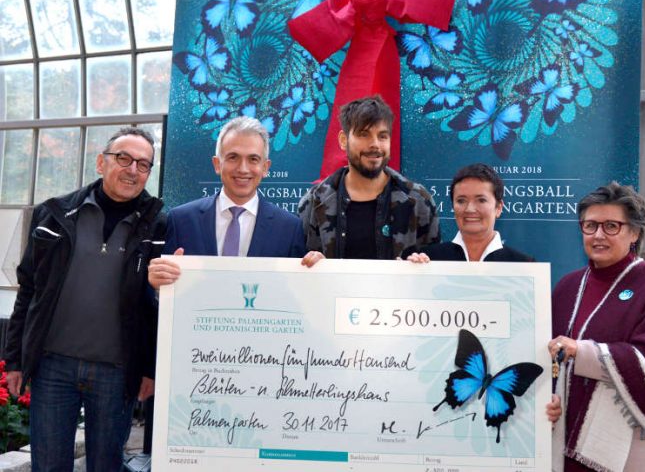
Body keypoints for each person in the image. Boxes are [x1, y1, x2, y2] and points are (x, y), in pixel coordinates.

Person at [4, 127, 166, 471]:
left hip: (116, 373)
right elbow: (28, 288)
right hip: (52, 367)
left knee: (106, 466)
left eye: (143, 164)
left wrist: (149, 369)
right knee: (47, 465)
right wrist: (15, 358)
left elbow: (158, 308)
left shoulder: (158, 225)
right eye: (123, 158)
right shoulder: (54, 214)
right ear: (101, 162)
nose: (132, 170)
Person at [546, 182, 645, 471]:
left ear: (635, 233)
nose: (598, 235)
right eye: (590, 226)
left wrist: (584, 352)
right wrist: (548, 398)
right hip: (564, 444)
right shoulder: (567, 287)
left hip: (631, 454)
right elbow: (548, 357)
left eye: (611, 226)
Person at [148, 116, 305, 288]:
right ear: (217, 164)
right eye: (233, 157)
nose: (243, 169)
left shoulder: (290, 228)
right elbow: (164, 295)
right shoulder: (181, 220)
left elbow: (297, 294)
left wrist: (317, 271)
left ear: (265, 168)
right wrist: (157, 286)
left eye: (253, 159)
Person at [298, 95, 439, 266]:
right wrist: (314, 266)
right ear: (344, 140)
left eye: (382, 136)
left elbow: (433, 276)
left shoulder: (418, 201)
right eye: (363, 134)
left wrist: (420, 265)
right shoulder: (314, 202)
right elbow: (299, 274)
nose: (375, 144)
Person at [404, 163, 532, 262]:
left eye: (481, 200)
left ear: (498, 208)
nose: (470, 209)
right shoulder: (429, 259)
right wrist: (410, 273)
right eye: (461, 201)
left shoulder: (523, 265)